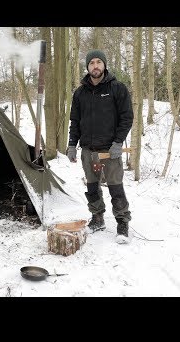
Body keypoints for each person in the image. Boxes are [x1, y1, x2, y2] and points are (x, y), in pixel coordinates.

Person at [66, 50, 133, 244]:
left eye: (98, 62)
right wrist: (72, 145)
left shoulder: (117, 88)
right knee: (92, 187)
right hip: (88, 149)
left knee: (115, 187)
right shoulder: (80, 93)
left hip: (109, 150)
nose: (95, 66)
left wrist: (118, 142)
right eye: (91, 63)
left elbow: (127, 117)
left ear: (104, 65)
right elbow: (75, 121)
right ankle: (97, 217)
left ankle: (122, 222)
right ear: (87, 67)